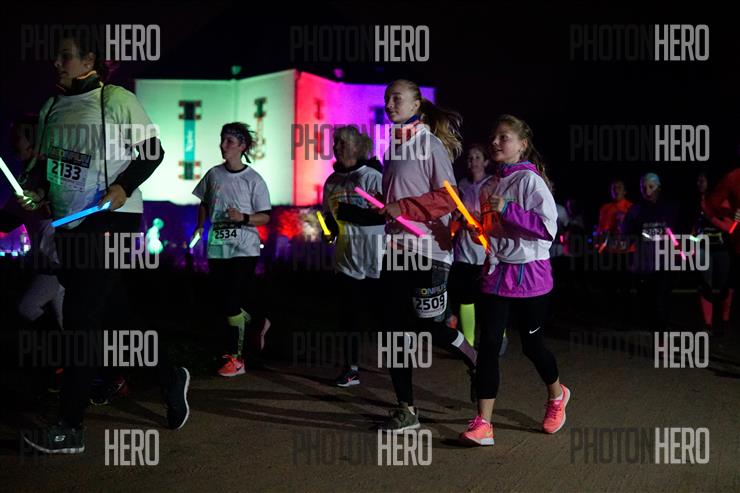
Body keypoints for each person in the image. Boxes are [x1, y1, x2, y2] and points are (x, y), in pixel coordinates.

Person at [20, 34, 189, 454]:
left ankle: (70, 427)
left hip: (112, 219)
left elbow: (152, 152)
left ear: (89, 60)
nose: (57, 63)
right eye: (56, 56)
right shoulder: (51, 107)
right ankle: (170, 377)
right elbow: (47, 165)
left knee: (80, 319)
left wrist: (123, 185)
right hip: (68, 226)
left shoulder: (114, 100)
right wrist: (37, 191)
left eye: (65, 56)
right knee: (115, 315)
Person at [459, 114, 570, 446]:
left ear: (522, 144)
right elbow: (493, 231)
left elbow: (547, 228)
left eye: (503, 137)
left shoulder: (530, 181)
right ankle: (484, 423)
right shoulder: (490, 184)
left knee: (533, 347)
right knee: (489, 345)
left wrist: (508, 209)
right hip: (497, 274)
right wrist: (479, 229)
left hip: (530, 275)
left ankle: (557, 395)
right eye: (493, 137)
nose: (495, 142)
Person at [377, 79, 477, 431]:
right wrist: (384, 207)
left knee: (427, 325)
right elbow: (395, 200)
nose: (389, 104)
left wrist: (402, 206)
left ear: (416, 105)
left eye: (397, 98)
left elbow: (450, 198)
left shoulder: (429, 145)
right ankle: (406, 409)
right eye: (387, 98)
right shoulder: (392, 148)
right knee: (393, 331)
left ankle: (474, 357)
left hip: (429, 251)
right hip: (395, 250)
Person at [192, 122, 272, 377]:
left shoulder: (253, 179)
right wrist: (199, 226)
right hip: (217, 246)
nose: (223, 145)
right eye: (222, 139)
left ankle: (236, 359)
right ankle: (257, 322)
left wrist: (244, 218)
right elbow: (204, 202)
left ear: (242, 146)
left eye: (230, 141)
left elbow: (265, 216)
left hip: (244, 247)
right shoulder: (213, 174)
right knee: (222, 300)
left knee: (231, 300)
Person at [321, 126, 385, 387]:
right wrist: (328, 231)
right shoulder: (331, 182)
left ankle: (399, 366)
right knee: (349, 318)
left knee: (383, 315)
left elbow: (387, 215)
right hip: (347, 259)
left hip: (377, 260)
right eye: (335, 143)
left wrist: (354, 213)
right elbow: (329, 217)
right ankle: (351, 369)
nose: (336, 148)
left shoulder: (372, 177)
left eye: (342, 143)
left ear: (358, 148)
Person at [622, 172, 679, 330]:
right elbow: (627, 233)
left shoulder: (669, 207)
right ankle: (654, 326)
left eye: (651, 187)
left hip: (664, 262)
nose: (647, 191)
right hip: (644, 263)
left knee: (662, 297)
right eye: (643, 187)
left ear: (658, 188)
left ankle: (662, 329)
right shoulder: (636, 209)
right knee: (647, 298)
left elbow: (674, 231)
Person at [703, 168, 740, 335]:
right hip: (716, 245)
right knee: (714, 284)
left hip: (724, 245)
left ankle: (723, 321)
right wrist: (731, 214)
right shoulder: (733, 178)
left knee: (726, 284)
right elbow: (710, 207)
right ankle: (716, 322)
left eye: (703, 180)